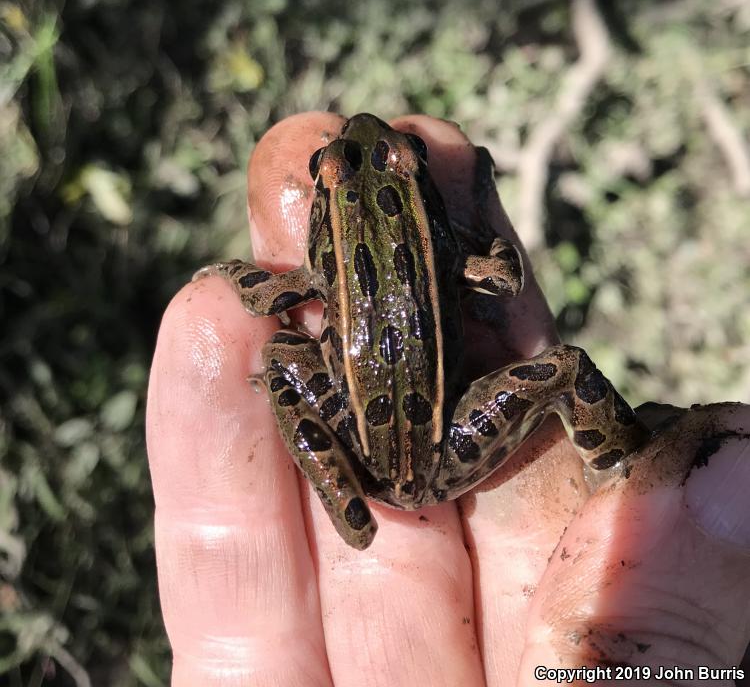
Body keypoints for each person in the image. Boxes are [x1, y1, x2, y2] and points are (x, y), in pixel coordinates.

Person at [147, 113, 750, 686]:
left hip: (362, 468)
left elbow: (259, 300)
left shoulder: (314, 277)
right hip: (452, 448)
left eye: (408, 162)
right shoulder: (453, 255)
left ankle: (346, 508)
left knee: (280, 358)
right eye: (325, 168)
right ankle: (627, 466)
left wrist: (230, 271)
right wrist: (471, 238)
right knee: (565, 370)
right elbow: (507, 278)